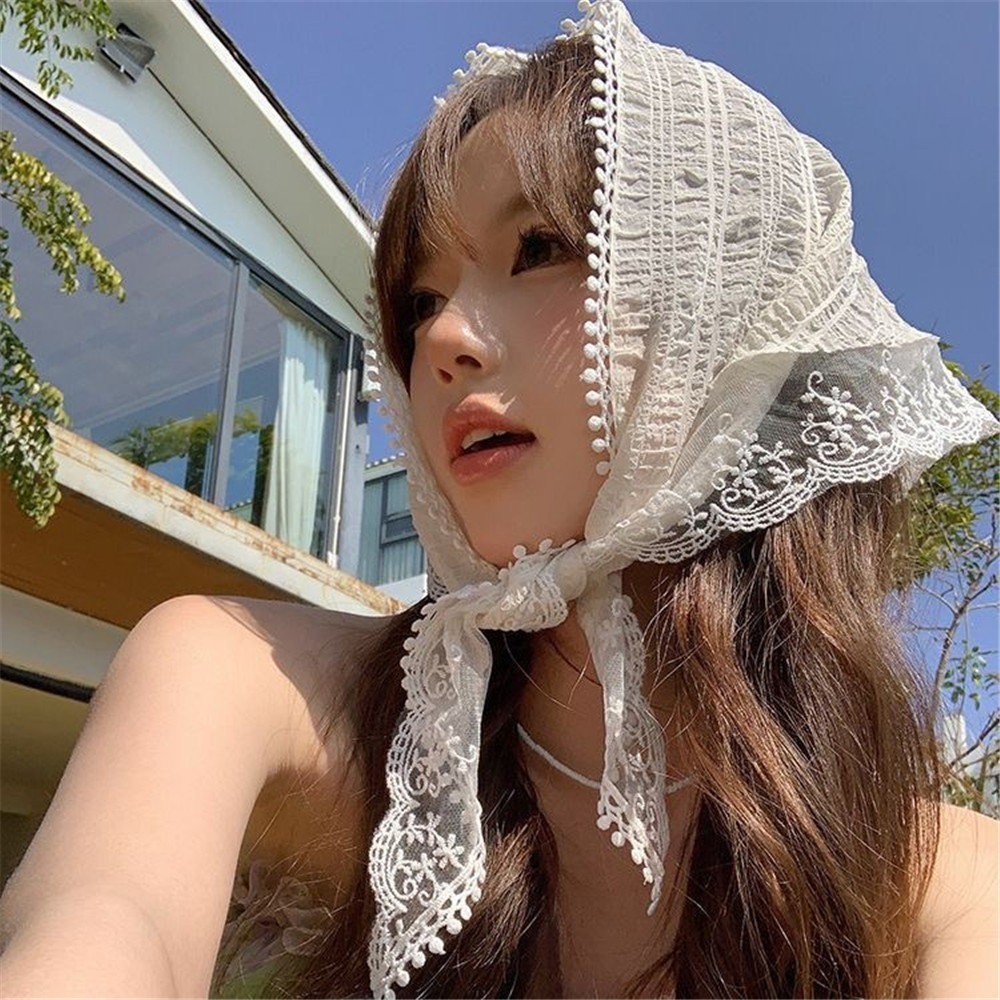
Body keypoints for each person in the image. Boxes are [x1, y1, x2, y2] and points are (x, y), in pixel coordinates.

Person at [1, 1, 998, 998]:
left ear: (722, 309)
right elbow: (106, 920)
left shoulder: (944, 880)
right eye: (419, 301)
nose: (441, 340)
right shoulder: (241, 679)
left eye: (540, 247)